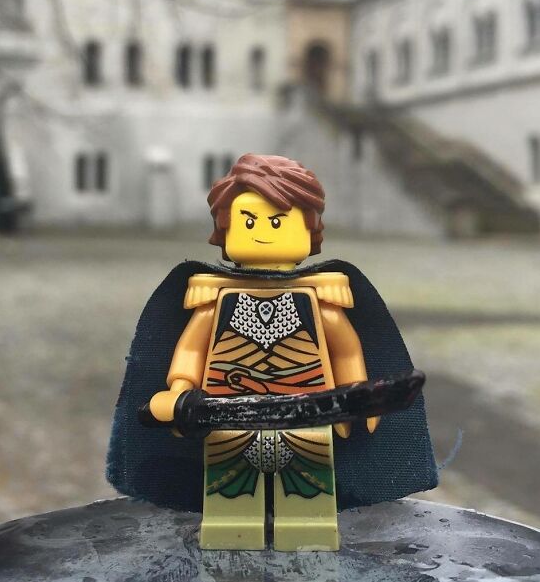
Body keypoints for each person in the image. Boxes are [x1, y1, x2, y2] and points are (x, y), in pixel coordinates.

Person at [106, 153, 437, 551]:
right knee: (231, 483)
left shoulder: (322, 297)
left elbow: (346, 348)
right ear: (225, 229)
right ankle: (232, 528)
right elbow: (192, 346)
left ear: (310, 229)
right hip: (225, 412)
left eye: (277, 221)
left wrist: (354, 393)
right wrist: (179, 388)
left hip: (310, 407)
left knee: (306, 481)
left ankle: (307, 528)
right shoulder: (212, 296)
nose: (262, 231)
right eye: (248, 221)